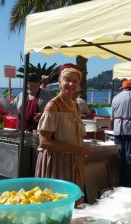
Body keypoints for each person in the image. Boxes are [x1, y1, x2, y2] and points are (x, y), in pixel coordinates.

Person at [35, 64, 92, 205]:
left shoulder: (76, 105)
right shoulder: (53, 106)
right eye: (67, 79)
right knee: (57, 204)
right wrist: (77, 149)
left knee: (73, 205)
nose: (71, 84)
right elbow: (44, 142)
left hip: (73, 162)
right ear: (59, 81)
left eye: (75, 81)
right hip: (55, 163)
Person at [111, 80, 131, 187]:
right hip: (129, 128)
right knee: (130, 156)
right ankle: (129, 184)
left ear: (122, 88)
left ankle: (120, 182)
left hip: (117, 129)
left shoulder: (116, 97)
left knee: (120, 156)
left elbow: (112, 117)